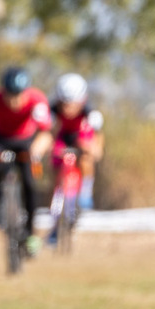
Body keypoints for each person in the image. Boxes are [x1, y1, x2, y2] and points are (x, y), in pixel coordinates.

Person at [0, 66, 53, 256]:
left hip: (26, 141)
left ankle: (31, 234)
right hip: (1, 140)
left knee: (30, 185)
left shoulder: (37, 100)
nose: (14, 100)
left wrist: (37, 150)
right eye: (10, 95)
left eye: (18, 95)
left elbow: (45, 134)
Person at [48, 72, 104, 221]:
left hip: (80, 136)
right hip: (62, 136)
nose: (68, 109)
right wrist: (51, 148)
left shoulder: (90, 114)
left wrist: (95, 149)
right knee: (56, 162)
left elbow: (97, 137)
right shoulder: (52, 111)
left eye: (73, 104)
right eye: (65, 104)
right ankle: (58, 198)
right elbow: (48, 133)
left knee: (86, 154)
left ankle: (86, 191)